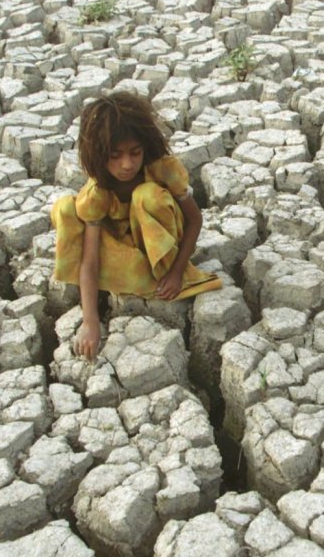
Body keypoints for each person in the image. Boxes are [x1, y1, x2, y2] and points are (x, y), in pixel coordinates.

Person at [51, 91, 222, 360]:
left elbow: (194, 219)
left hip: (163, 245)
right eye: (115, 156)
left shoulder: (162, 170)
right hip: (125, 248)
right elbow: (90, 260)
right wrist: (90, 321)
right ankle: (136, 277)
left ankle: (158, 273)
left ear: (145, 147)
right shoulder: (98, 192)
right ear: (98, 154)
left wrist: (177, 272)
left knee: (147, 196)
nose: (127, 164)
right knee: (65, 208)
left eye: (135, 153)